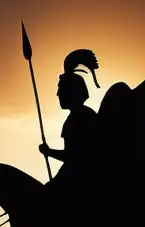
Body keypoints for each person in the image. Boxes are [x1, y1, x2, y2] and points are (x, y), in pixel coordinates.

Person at [38, 50, 105, 214]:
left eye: (61, 89)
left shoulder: (80, 118)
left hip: (83, 178)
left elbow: (75, 157)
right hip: (75, 174)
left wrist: (49, 152)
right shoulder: (79, 116)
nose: (58, 94)